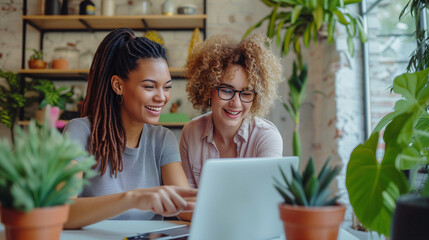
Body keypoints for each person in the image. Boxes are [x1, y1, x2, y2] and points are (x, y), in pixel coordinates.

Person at [63, 28, 197, 229]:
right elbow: (61, 212)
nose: (162, 97)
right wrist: (131, 199)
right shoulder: (79, 132)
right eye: (149, 87)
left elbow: (185, 207)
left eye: (167, 87)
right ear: (118, 85)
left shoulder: (162, 139)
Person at [180, 33, 284, 188]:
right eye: (227, 91)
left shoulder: (266, 137)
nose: (236, 103)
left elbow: (266, 201)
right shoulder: (191, 133)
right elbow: (185, 203)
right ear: (208, 89)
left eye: (246, 93)